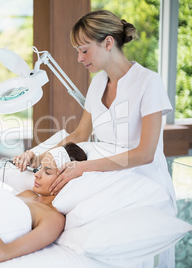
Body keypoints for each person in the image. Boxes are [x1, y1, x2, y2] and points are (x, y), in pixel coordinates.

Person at [13, 10, 176, 214]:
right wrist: (38, 156)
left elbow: (145, 154)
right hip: (109, 183)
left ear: (108, 43)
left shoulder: (148, 82)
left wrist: (84, 167)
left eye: (84, 50)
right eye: (77, 51)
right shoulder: (98, 83)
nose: (79, 58)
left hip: (144, 186)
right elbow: (81, 134)